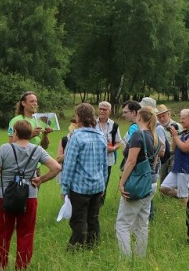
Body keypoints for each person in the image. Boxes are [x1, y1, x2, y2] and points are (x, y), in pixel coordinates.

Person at [0, 120, 62, 271]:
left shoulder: (5, 148)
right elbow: (56, 167)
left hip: (6, 197)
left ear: (15, 133)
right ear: (30, 134)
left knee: (3, 232)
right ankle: (22, 267)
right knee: (26, 232)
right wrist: (40, 179)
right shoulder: (37, 150)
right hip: (29, 197)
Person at [59, 103, 108, 249]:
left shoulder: (76, 137)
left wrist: (64, 188)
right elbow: (104, 165)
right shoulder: (101, 136)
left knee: (78, 220)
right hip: (97, 186)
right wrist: (103, 184)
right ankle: (92, 246)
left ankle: (74, 247)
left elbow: (69, 164)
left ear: (79, 117)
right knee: (93, 219)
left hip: (80, 187)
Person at [116, 106, 161, 257]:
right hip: (151, 181)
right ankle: (140, 257)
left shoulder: (137, 135)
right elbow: (154, 163)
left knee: (122, 224)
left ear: (139, 117)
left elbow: (131, 161)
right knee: (142, 224)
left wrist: (122, 183)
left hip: (137, 183)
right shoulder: (155, 136)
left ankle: (125, 260)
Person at [161, 109, 189, 201]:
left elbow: (186, 148)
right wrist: (174, 135)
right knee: (164, 188)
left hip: (185, 168)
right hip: (177, 167)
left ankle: (187, 206)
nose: (181, 121)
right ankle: (188, 196)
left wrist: (175, 136)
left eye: (183, 118)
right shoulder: (185, 132)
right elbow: (174, 148)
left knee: (183, 198)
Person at [95, 101, 124, 191]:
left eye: (104, 109)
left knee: (104, 184)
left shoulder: (114, 125)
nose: (102, 111)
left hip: (108, 160)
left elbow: (118, 142)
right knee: (93, 183)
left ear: (109, 111)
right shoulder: (92, 123)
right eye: (100, 109)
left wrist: (113, 148)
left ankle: (100, 203)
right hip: (93, 159)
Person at [156, 104, 180, 183]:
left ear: (168, 114)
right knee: (162, 179)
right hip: (162, 156)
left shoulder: (177, 126)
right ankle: (163, 195)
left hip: (174, 155)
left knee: (172, 180)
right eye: (159, 117)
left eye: (164, 116)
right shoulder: (157, 128)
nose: (162, 119)